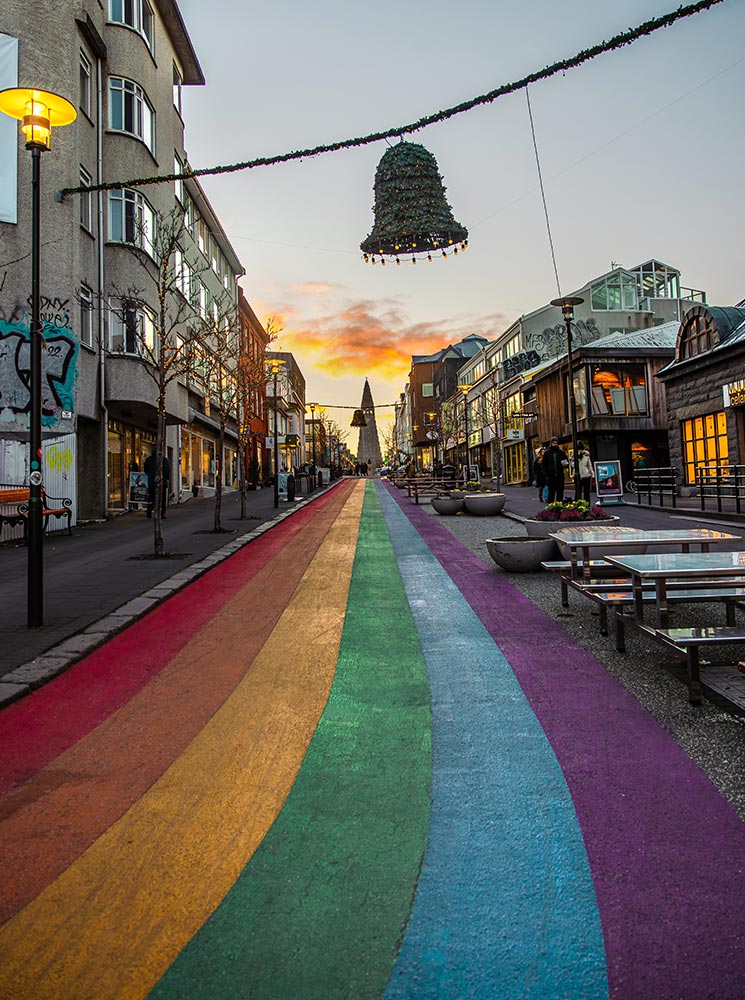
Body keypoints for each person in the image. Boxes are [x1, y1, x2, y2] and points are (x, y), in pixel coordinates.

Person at [144, 447, 170, 519]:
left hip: (151, 482)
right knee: (162, 498)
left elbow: (145, 470)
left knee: (151, 497)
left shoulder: (148, 460)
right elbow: (167, 470)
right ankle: (162, 513)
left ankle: (149, 510)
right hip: (162, 482)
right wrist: (166, 478)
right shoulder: (164, 460)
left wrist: (150, 476)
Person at [542, 436, 569, 503]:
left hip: (560, 475)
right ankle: (551, 506)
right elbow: (544, 464)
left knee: (560, 491)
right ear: (551, 443)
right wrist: (545, 474)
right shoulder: (547, 453)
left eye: (556, 443)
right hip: (551, 475)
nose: (555, 445)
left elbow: (566, 463)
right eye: (553, 443)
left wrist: (565, 465)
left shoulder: (561, 453)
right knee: (551, 491)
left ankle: (559, 505)